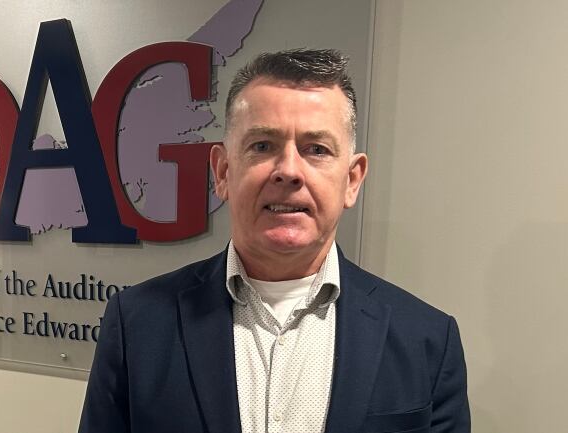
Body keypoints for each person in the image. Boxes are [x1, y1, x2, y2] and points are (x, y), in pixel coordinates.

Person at [78, 48, 470, 433]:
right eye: (262, 146)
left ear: (351, 180)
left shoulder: (428, 341)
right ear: (223, 171)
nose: (288, 171)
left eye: (316, 149)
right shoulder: (137, 324)